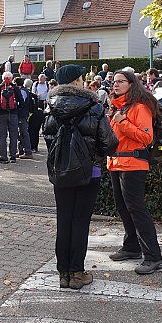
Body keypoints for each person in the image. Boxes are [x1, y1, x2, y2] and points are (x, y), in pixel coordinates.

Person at [43, 64, 118, 289]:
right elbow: (110, 143)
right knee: (80, 222)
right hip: (89, 172)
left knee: (64, 220)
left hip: (61, 172)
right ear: (76, 81)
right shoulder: (94, 106)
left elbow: (47, 138)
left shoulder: (50, 106)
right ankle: (77, 272)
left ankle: (63, 274)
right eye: (82, 78)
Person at [107, 70, 162, 275]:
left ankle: (153, 257)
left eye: (120, 81)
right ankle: (132, 247)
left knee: (137, 210)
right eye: (114, 81)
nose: (116, 85)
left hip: (133, 164)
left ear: (132, 84)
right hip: (117, 163)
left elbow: (145, 138)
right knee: (123, 208)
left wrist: (122, 122)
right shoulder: (119, 108)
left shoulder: (139, 108)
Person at [0, 72, 22, 164]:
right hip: (13, 114)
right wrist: (17, 111)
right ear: (11, 78)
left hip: (2, 114)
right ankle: (13, 156)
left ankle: (3, 157)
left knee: (2, 136)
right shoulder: (15, 88)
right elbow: (21, 102)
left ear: (3, 78)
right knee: (13, 136)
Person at [14, 78, 34, 159]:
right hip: (22, 114)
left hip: (22, 114)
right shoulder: (24, 90)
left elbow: (21, 103)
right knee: (20, 133)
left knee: (23, 132)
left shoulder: (22, 91)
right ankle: (21, 151)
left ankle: (28, 152)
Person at [25, 78, 43, 153]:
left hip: (31, 114)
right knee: (36, 131)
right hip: (37, 113)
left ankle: (31, 146)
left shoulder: (26, 94)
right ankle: (35, 147)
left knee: (30, 131)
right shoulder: (34, 96)